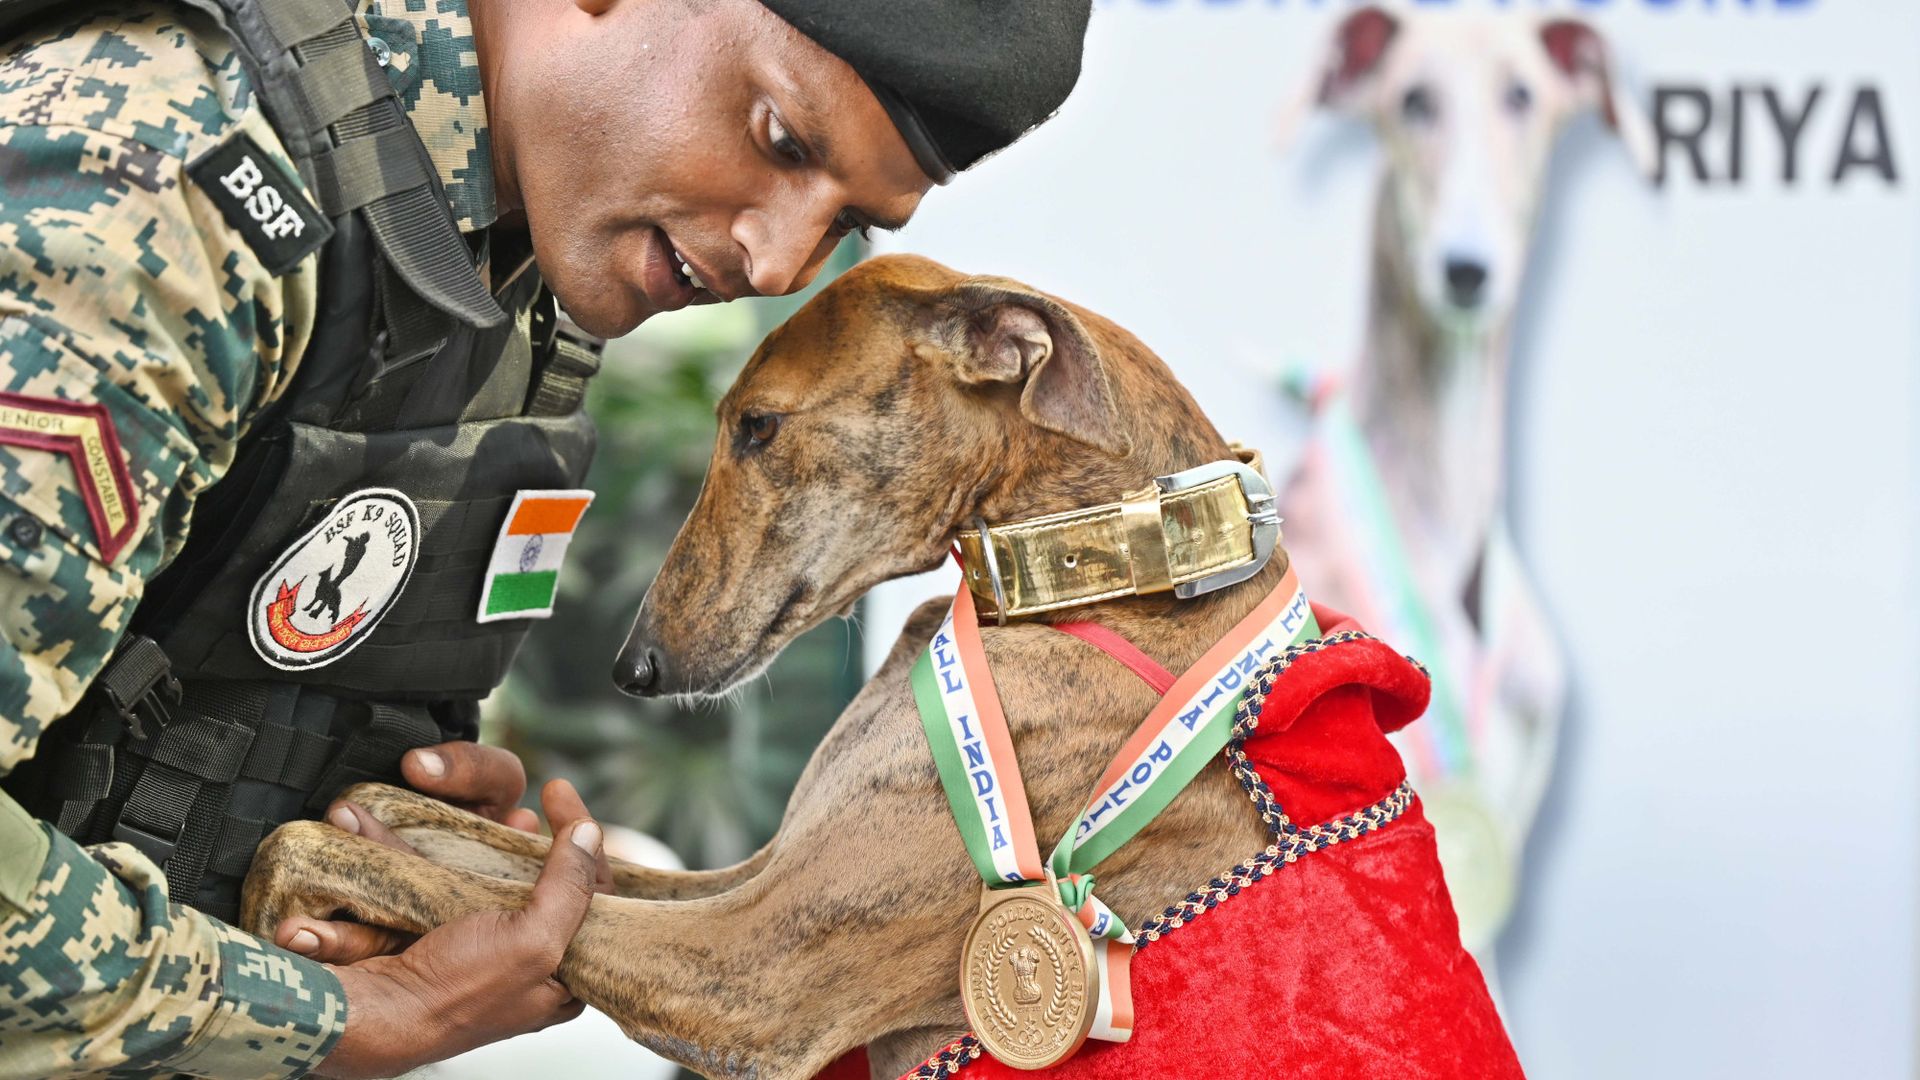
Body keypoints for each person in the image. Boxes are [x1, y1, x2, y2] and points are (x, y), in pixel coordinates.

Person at [0, 0, 1093, 1076]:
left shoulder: (525, 247)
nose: (778, 261)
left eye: (846, 221)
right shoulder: (159, 191)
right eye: (778, 139)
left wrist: (381, 818)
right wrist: (337, 1014)